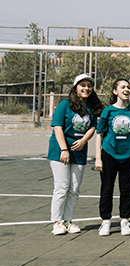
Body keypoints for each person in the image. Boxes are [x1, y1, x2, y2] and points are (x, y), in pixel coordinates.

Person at [48, 73, 102, 235]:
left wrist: (84, 140)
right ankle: (57, 222)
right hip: (60, 151)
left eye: (89, 86)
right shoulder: (65, 105)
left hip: (79, 152)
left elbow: (93, 127)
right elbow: (57, 128)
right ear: (75, 88)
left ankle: (68, 221)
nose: (86, 88)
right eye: (82, 85)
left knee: (75, 188)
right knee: (62, 186)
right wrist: (64, 149)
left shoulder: (91, 107)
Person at [94, 78, 130, 236]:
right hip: (109, 154)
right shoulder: (108, 111)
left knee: (127, 188)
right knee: (107, 188)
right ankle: (106, 221)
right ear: (115, 91)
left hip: (128, 154)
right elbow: (99, 135)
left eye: (128, 87)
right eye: (123, 87)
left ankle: (124, 220)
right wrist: (98, 158)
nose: (127, 89)